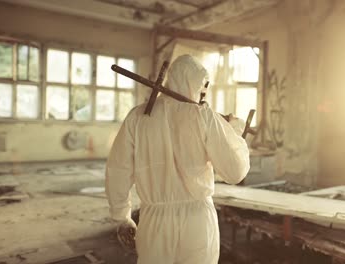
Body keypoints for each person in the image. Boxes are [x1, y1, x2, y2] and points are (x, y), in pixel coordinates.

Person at [105, 54, 250, 264]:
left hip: (154, 224)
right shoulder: (202, 116)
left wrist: (121, 216)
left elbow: (118, 170)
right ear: (193, 82)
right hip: (198, 222)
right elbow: (235, 172)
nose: (203, 91)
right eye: (202, 85)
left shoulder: (137, 117)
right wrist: (233, 135)